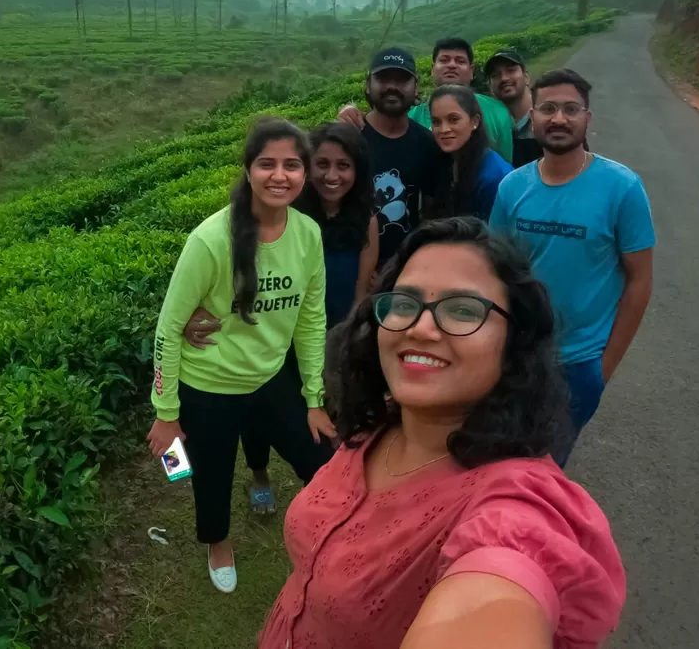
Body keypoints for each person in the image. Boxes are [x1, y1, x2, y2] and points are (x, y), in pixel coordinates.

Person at [257, 218, 626, 649]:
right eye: (405, 303)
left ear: (514, 344)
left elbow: (501, 589)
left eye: (464, 310)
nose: (420, 328)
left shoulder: (512, 510)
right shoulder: (383, 424)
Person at [147, 117, 336, 594]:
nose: (280, 175)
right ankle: (218, 543)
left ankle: (322, 533)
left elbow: (312, 318)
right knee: (206, 476)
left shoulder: (308, 233)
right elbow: (169, 328)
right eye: (267, 163)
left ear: (305, 172)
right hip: (208, 387)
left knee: (322, 463)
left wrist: (313, 397)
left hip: (271, 378)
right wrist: (166, 414)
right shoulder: (210, 241)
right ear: (248, 170)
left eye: (292, 165)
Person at [184, 121, 380, 514]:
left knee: (321, 427)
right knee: (256, 420)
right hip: (272, 339)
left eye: (343, 165)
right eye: (321, 164)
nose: (332, 175)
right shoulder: (280, 210)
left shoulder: (365, 221)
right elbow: (229, 273)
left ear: (357, 171)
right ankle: (259, 477)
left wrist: (343, 350)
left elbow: (360, 293)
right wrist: (193, 317)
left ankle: (329, 506)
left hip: (328, 338)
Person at [488, 69, 655, 466]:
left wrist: (605, 366)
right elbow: (495, 273)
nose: (558, 119)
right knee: (498, 459)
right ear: (533, 116)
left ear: (587, 118)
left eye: (570, 109)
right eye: (547, 108)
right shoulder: (512, 187)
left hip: (580, 363)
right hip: (518, 355)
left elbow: (640, 280)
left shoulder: (622, 187)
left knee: (543, 469)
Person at [339, 38, 514, 161]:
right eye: (444, 60)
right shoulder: (412, 116)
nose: (451, 65)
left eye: (460, 61)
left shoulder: (498, 110)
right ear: (432, 69)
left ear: (472, 71)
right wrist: (350, 112)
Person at [350, 47, 442, 267]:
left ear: (416, 87)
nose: (392, 86)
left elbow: (431, 213)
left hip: (405, 266)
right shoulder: (349, 137)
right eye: (383, 79)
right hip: (351, 263)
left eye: (401, 80)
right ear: (368, 85)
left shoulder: (428, 143)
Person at [425, 86, 514, 222]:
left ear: (475, 122)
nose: (444, 129)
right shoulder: (443, 163)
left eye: (453, 119)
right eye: (436, 122)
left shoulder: (495, 177)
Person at [485, 47, 543, 168]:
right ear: (490, 86)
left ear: (526, 77)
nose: (504, 78)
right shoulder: (490, 128)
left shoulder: (547, 119)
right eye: (495, 75)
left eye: (511, 70)